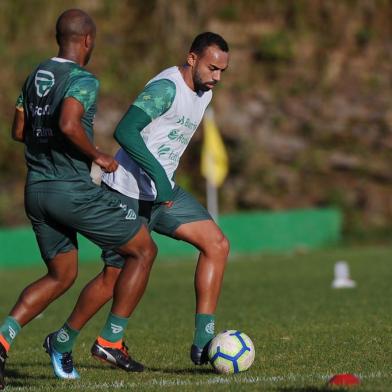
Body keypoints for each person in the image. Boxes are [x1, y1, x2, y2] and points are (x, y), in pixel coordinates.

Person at [45, 31, 230, 378]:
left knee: (217, 244)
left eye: (222, 71)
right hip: (128, 190)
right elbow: (126, 130)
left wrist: (163, 182)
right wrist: (158, 177)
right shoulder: (166, 88)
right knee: (114, 276)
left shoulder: (204, 92)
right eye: (212, 68)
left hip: (162, 192)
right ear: (192, 59)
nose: (217, 77)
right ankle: (66, 339)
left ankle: (204, 338)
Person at [0, 9, 157, 388]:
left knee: (61, 275)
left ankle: (2, 342)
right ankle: (109, 340)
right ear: (87, 40)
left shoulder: (35, 75)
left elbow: (19, 130)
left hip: (37, 190)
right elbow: (69, 123)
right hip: (72, 191)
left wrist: (51, 144)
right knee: (143, 250)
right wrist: (97, 155)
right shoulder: (82, 80)